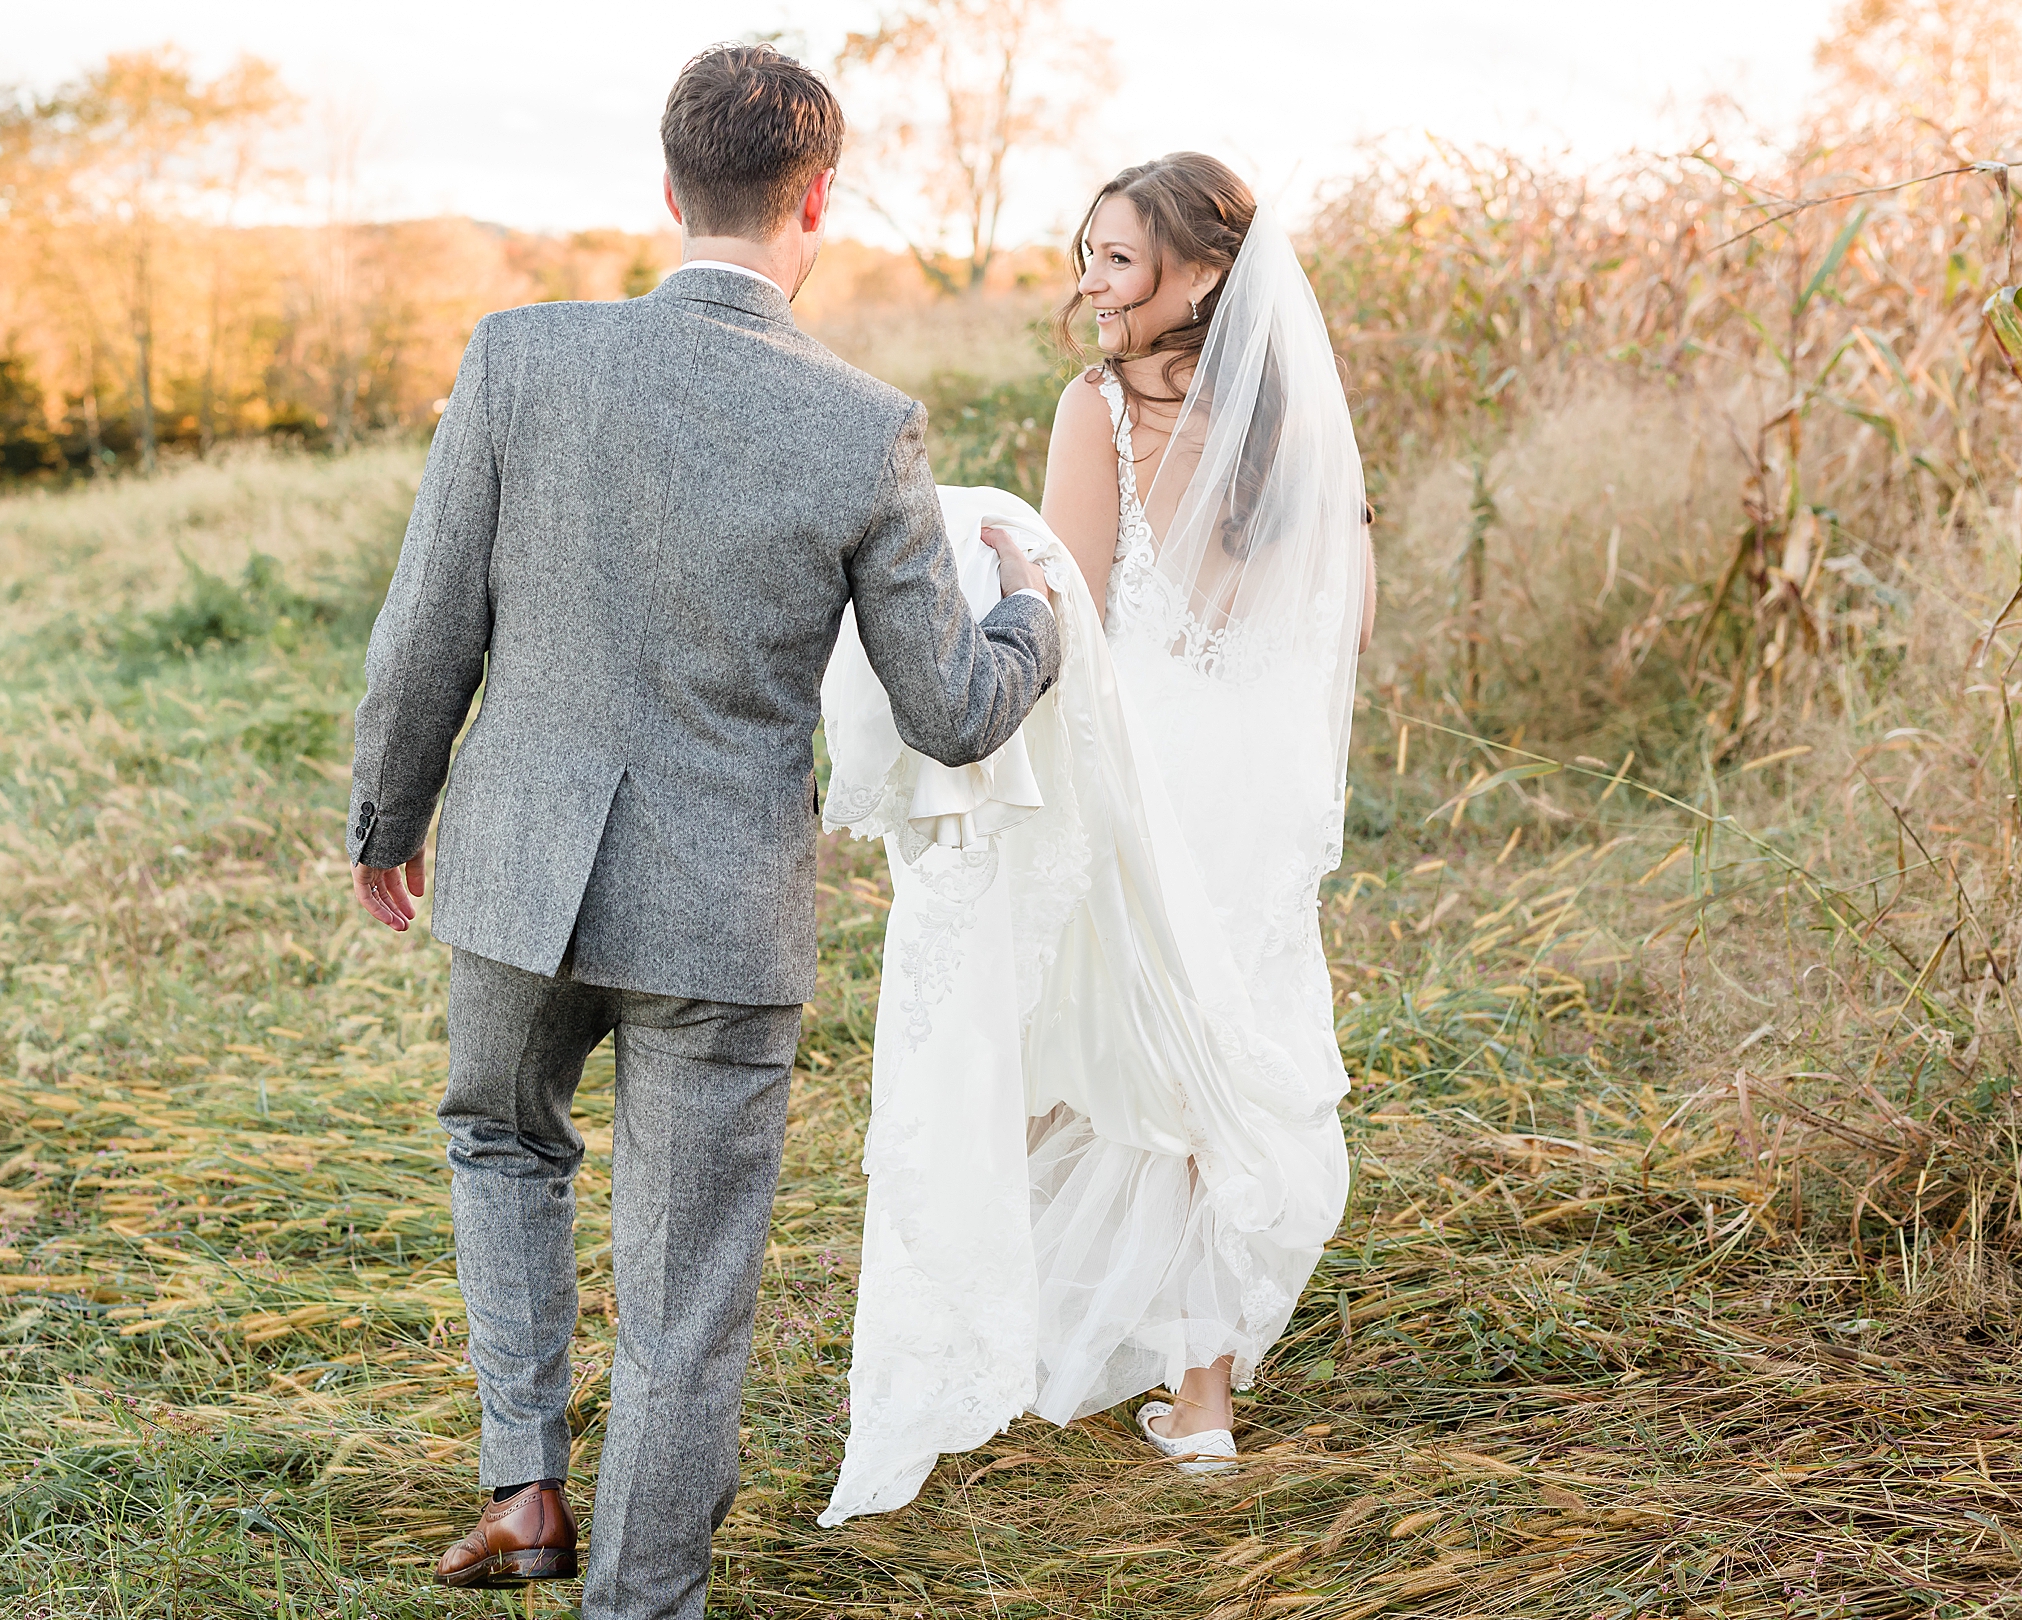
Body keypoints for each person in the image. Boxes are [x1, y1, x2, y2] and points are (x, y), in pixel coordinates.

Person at [344, 43, 1062, 1620]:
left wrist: (385, 819)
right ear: (818, 200)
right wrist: (1037, 621)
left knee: (495, 1134)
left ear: (668, 190)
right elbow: (948, 710)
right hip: (722, 911)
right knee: (687, 1292)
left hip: (518, 869)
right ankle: (636, 1599)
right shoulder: (867, 425)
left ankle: (524, 1483)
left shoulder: (519, 358)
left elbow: (422, 631)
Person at [818, 153, 1374, 1524]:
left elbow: (1063, 614)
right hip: (1256, 775)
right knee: (1213, 1045)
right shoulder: (1300, 412)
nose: (1087, 283)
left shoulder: (1100, 406)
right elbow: (1342, 626)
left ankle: (983, 1321)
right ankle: (1199, 1401)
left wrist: (997, 574)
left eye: (1114, 258)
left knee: (1083, 1038)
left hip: (1146, 761)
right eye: (1086, 253)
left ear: (1200, 272)